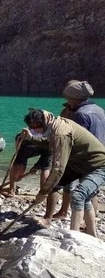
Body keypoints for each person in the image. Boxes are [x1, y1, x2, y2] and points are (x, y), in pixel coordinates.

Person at [22, 109, 105, 237]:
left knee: (79, 195)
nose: (34, 130)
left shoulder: (61, 132)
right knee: (59, 189)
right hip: (79, 163)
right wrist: (31, 138)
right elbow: (50, 143)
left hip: (98, 165)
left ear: (44, 121)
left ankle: (73, 237)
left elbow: (58, 169)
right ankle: (92, 235)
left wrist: (42, 193)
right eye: (31, 127)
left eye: (36, 127)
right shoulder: (55, 124)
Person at [50, 80, 105, 220]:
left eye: (68, 97)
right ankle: (91, 220)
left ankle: (73, 218)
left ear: (74, 98)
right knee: (91, 191)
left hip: (84, 157)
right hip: (99, 155)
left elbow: (74, 139)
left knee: (74, 188)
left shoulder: (81, 114)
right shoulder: (99, 109)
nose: (66, 99)